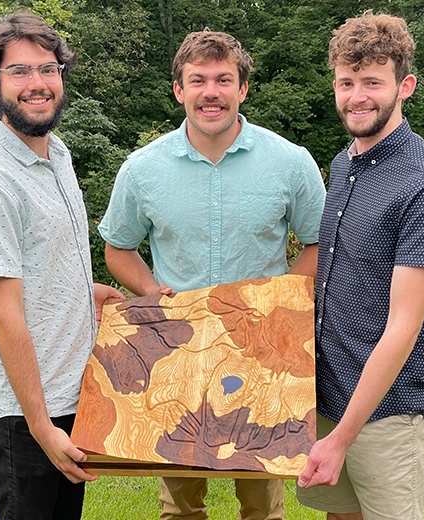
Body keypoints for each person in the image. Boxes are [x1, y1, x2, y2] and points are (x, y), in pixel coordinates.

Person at [99, 29, 326, 520]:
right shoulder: (142, 169)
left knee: (262, 500)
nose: (211, 92)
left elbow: (319, 244)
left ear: (243, 89)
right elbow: (118, 248)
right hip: (178, 347)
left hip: (262, 348)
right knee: (179, 502)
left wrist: (280, 298)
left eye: (224, 80)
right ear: (179, 89)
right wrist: (151, 292)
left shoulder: (290, 163)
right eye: (197, 80)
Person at [294, 12, 424, 520]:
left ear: (405, 85)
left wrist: (342, 438)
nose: (357, 96)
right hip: (329, 398)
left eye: (372, 81)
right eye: (346, 83)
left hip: (388, 414)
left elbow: (403, 328)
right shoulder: (344, 163)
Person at [0, 12, 123, 520]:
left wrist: (82, 291)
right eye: (19, 71)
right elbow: (4, 314)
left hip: (72, 390)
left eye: (48, 69)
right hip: (26, 411)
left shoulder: (57, 155)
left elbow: (36, 265)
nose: (37, 84)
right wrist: (43, 426)